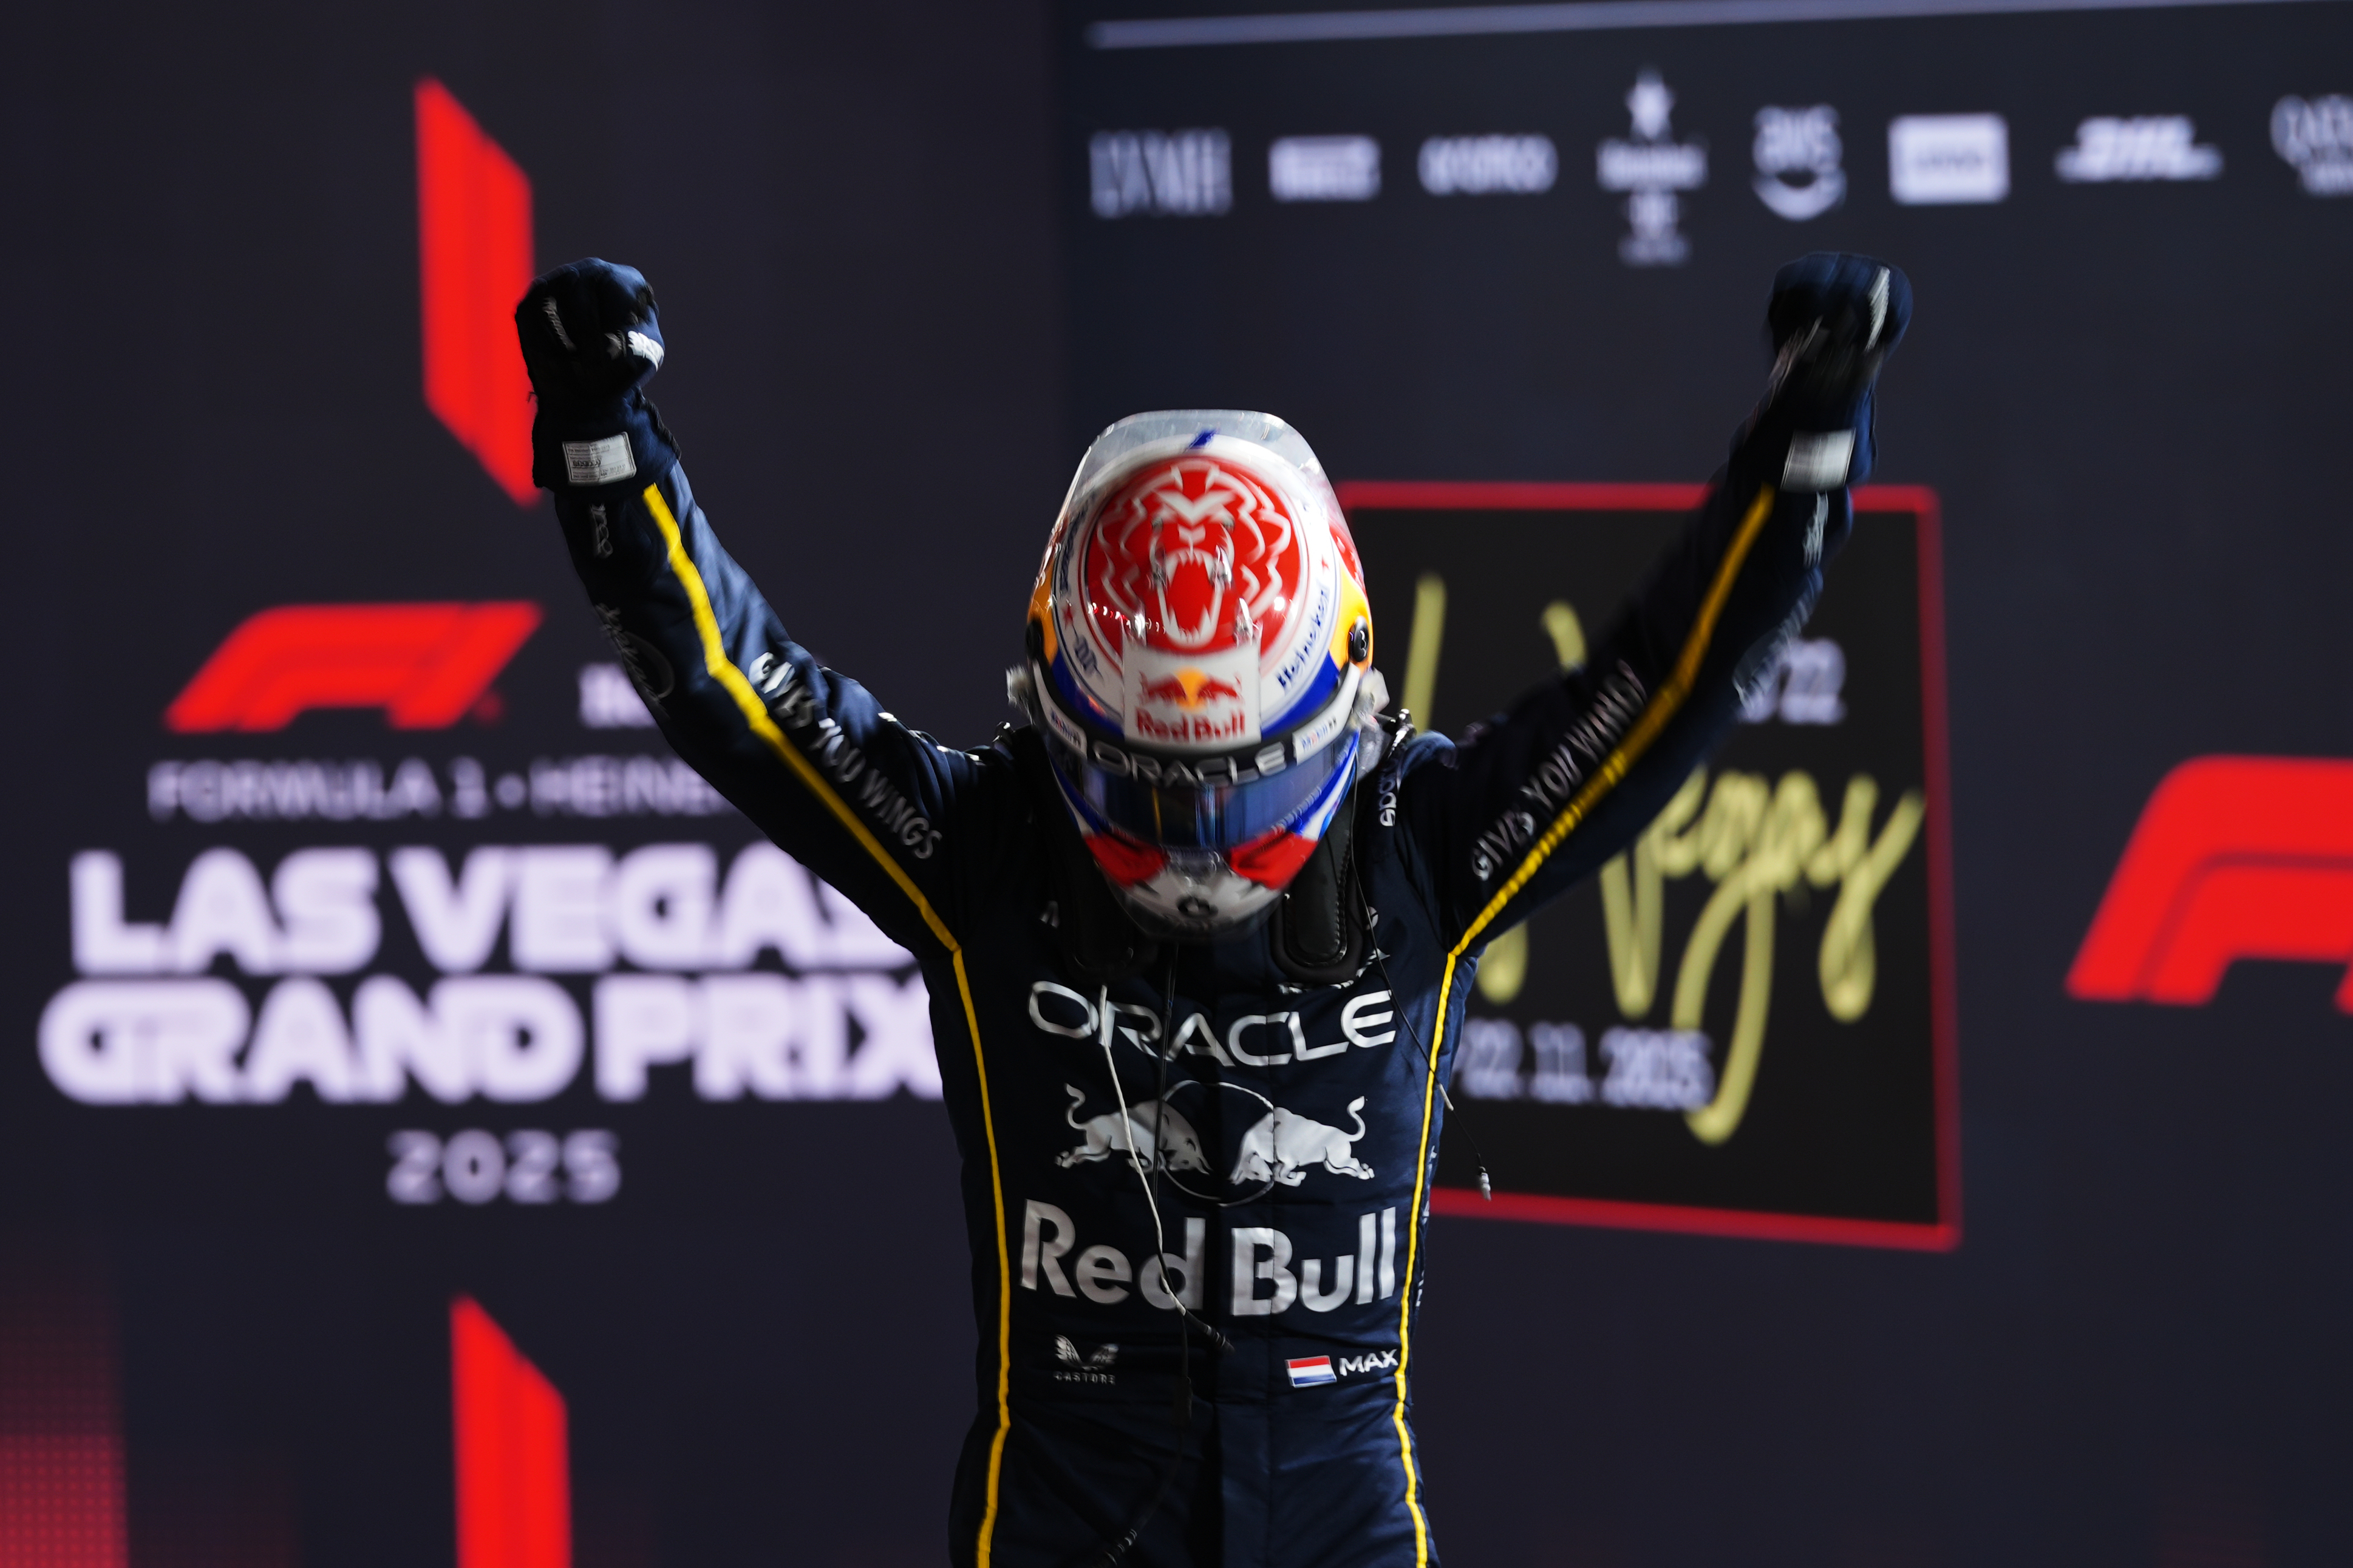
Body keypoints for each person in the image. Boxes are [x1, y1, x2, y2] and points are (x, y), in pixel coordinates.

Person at [514, 252, 1910, 1568]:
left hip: (1334, 1504)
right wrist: (601, 445)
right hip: (1064, 1514)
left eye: (1237, 788)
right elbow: (734, 688)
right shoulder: (987, 851)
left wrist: (1806, 438)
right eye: (1150, 786)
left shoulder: (1420, 839)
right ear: (1055, 707)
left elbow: (1671, 684)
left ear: (1344, 693)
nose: (1195, 843)